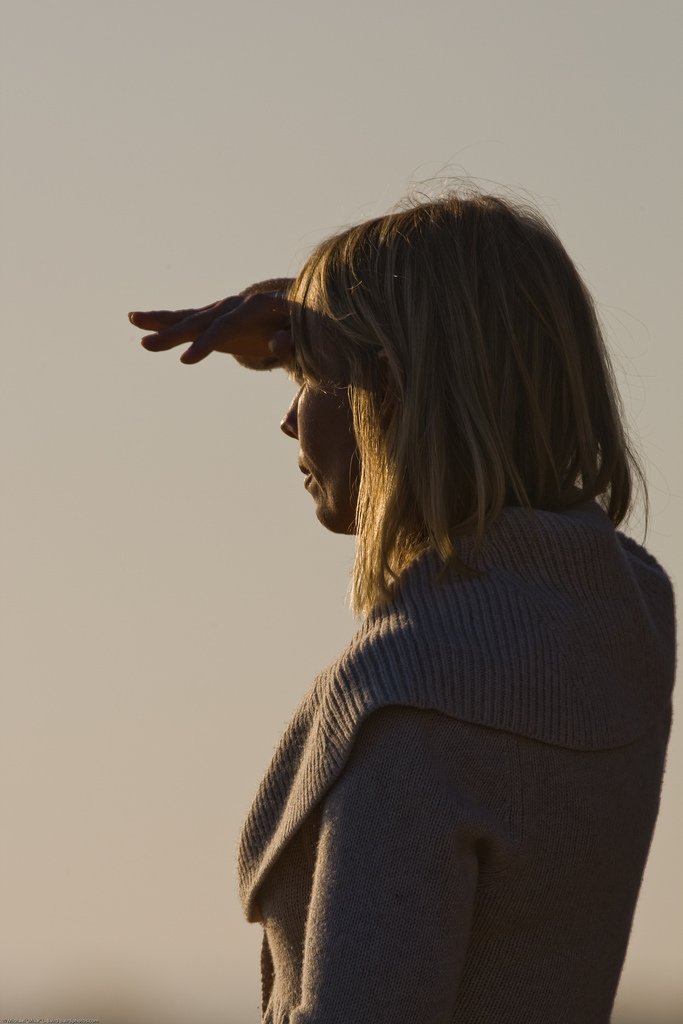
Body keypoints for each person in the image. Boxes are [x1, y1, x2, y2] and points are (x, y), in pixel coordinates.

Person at [129, 193, 676, 1023]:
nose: (287, 418)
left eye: (309, 378)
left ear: (384, 392)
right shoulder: (625, 616)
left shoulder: (410, 699)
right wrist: (324, 324)